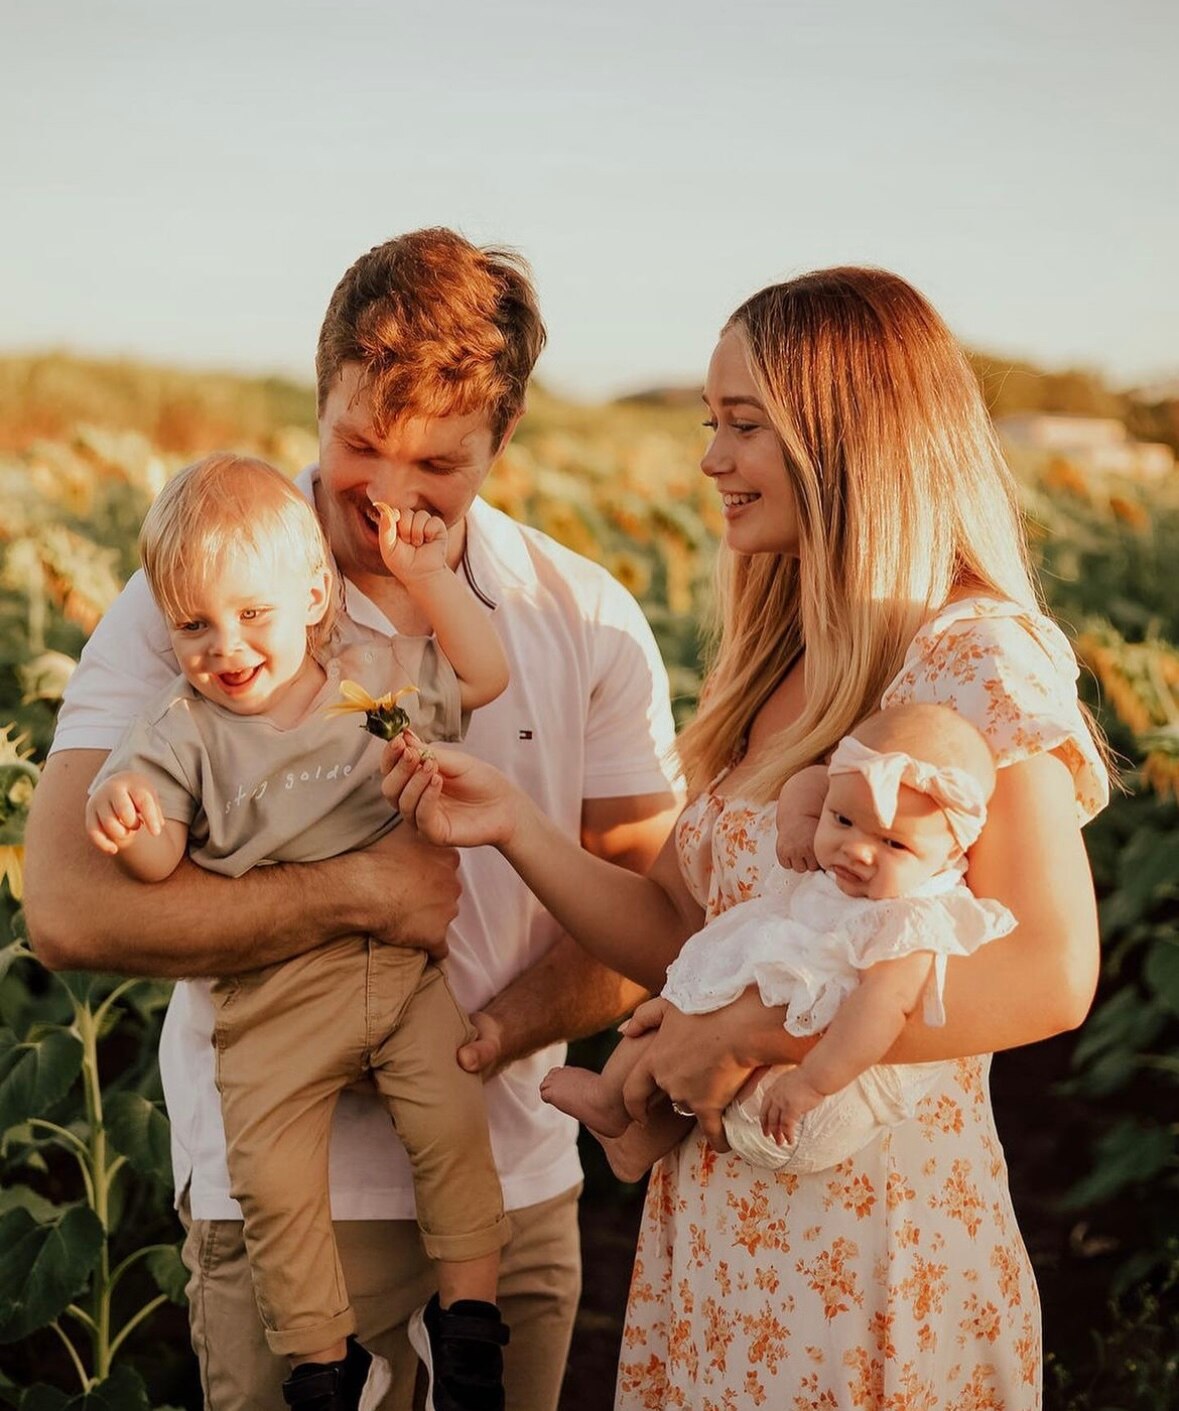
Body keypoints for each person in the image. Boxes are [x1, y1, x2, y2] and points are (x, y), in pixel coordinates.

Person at [380, 265, 1109, 1408]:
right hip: (722, 1239)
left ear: (849, 440)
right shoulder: (774, 664)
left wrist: (747, 1032)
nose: (710, 459)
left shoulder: (976, 655)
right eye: (708, 423)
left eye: (745, 425)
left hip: (871, 1246)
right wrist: (514, 827)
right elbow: (677, 920)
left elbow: (1051, 973)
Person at [22, 228, 681, 1411]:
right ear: (318, 392)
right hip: (281, 1192)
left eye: (439, 464)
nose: (386, 495)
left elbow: (649, 897)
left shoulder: (584, 615)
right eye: (358, 444)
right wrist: (360, 893)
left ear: (505, 438)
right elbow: (65, 905)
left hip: (506, 1176)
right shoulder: (195, 606)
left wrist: (490, 1034)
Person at [85, 453, 513, 1411]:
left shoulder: (371, 688)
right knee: (274, 1186)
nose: (224, 645)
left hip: (401, 976)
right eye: (194, 624)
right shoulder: (180, 732)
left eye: (251, 614)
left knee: (451, 1126)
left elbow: (484, 675)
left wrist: (430, 579)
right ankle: (323, 1363)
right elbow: (158, 861)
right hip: (270, 999)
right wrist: (129, 824)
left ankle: (472, 1325)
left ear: (315, 596)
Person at [539, 703, 1017, 1183]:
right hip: (765, 1036)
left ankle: (624, 1110)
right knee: (682, 997)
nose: (857, 849)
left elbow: (880, 1014)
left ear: (953, 851)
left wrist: (811, 1082)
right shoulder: (849, 828)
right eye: (844, 821)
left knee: (695, 1006)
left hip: (805, 1108)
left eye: (894, 844)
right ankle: (615, 1108)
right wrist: (798, 824)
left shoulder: (911, 921)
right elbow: (810, 783)